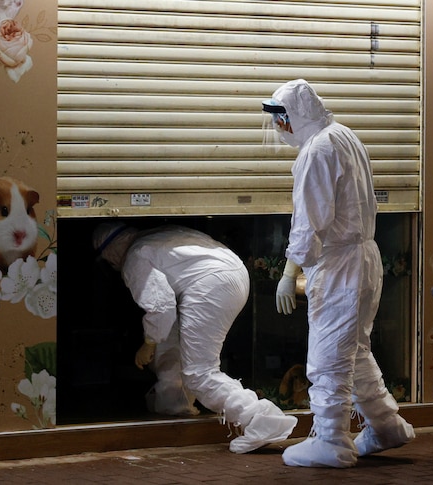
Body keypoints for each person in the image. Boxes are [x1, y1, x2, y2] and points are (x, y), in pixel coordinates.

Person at [265, 79, 415, 468]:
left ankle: (331, 440)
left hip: (339, 267)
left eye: (281, 118)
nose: (279, 128)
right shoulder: (344, 135)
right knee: (355, 351)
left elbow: (310, 219)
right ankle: (385, 425)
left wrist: (290, 270)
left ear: (294, 116)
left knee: (328, 355)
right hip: (364, 259)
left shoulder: (317, 150)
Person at [93, 223, 297, 454]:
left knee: (200, 374)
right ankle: (174, 403)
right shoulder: (159, 234)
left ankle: (260, 420)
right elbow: (168, 320)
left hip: (209, 285)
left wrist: (148, 343)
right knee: (178, 341)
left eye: (109, 261)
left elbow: (160, 306)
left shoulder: (134, 257)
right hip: (234, 274)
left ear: (111, 251)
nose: (112, 266)